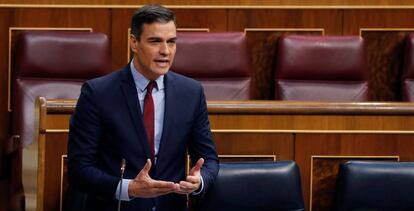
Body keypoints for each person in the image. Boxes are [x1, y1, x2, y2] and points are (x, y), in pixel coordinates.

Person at [67, 4, 219, 211]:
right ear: (134, 43)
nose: (165, 51)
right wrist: (129, 188)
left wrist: (199, 181)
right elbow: (79, 170)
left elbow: (209, 159)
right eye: (155, 41)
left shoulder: (191, 92)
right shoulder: (97, 93)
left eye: (171, 42)